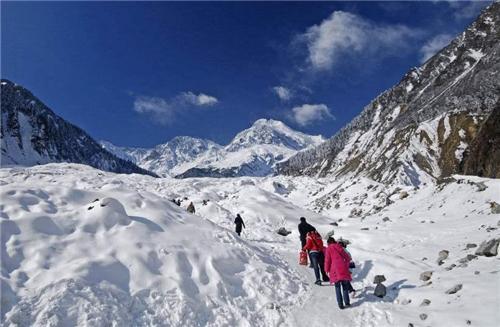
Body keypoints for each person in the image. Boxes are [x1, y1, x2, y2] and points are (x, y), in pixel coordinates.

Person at [324, 237, 352, 309]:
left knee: (337, 287)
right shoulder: (339, 247)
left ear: (328, 243)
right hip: (343, 268)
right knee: (345, 286)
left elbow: (327, 260)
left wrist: (326, 269)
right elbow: (348, 258)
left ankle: (340, 304)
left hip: (334, 270)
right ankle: (347, 302)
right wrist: (346, 265)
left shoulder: (328, 249)